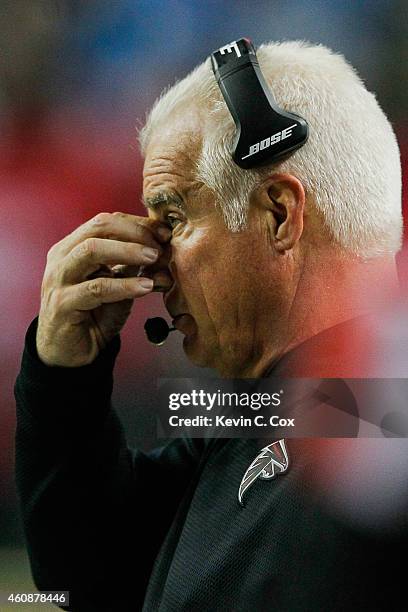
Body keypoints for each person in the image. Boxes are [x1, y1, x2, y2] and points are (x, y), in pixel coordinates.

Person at [15, 41, 405, 611]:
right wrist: (62, 383)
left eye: (173, 220)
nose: (153, 264)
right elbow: (85, 589)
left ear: (278, 215)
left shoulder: (371, 445)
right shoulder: (251, 418)